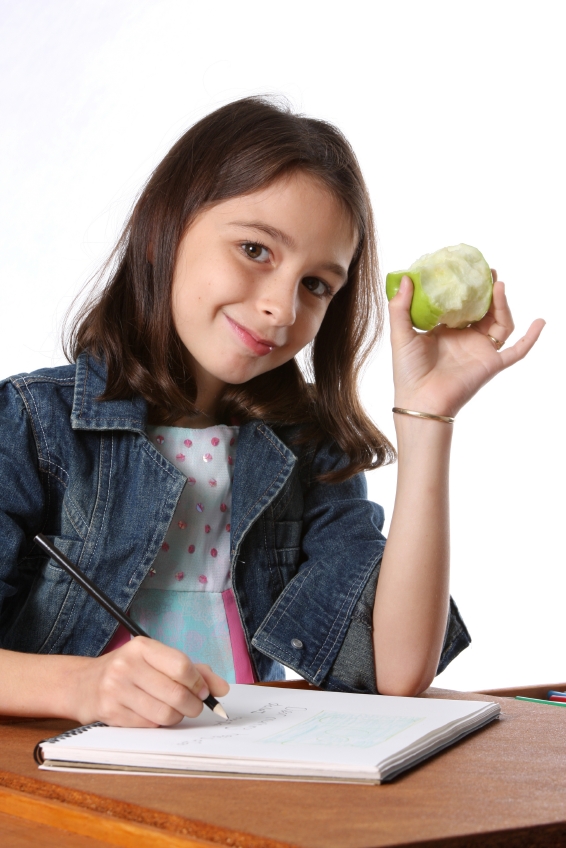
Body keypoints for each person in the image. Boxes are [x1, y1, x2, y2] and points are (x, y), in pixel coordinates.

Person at [0, 97, 544, 727]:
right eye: (256, 250)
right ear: (166, 229)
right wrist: (82, 687)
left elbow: (397, 669)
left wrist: (428, 419)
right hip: (68, 797)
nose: (283, 309)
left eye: (316, 285)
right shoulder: (31, 425)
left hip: (241, 793)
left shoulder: (305, 448)